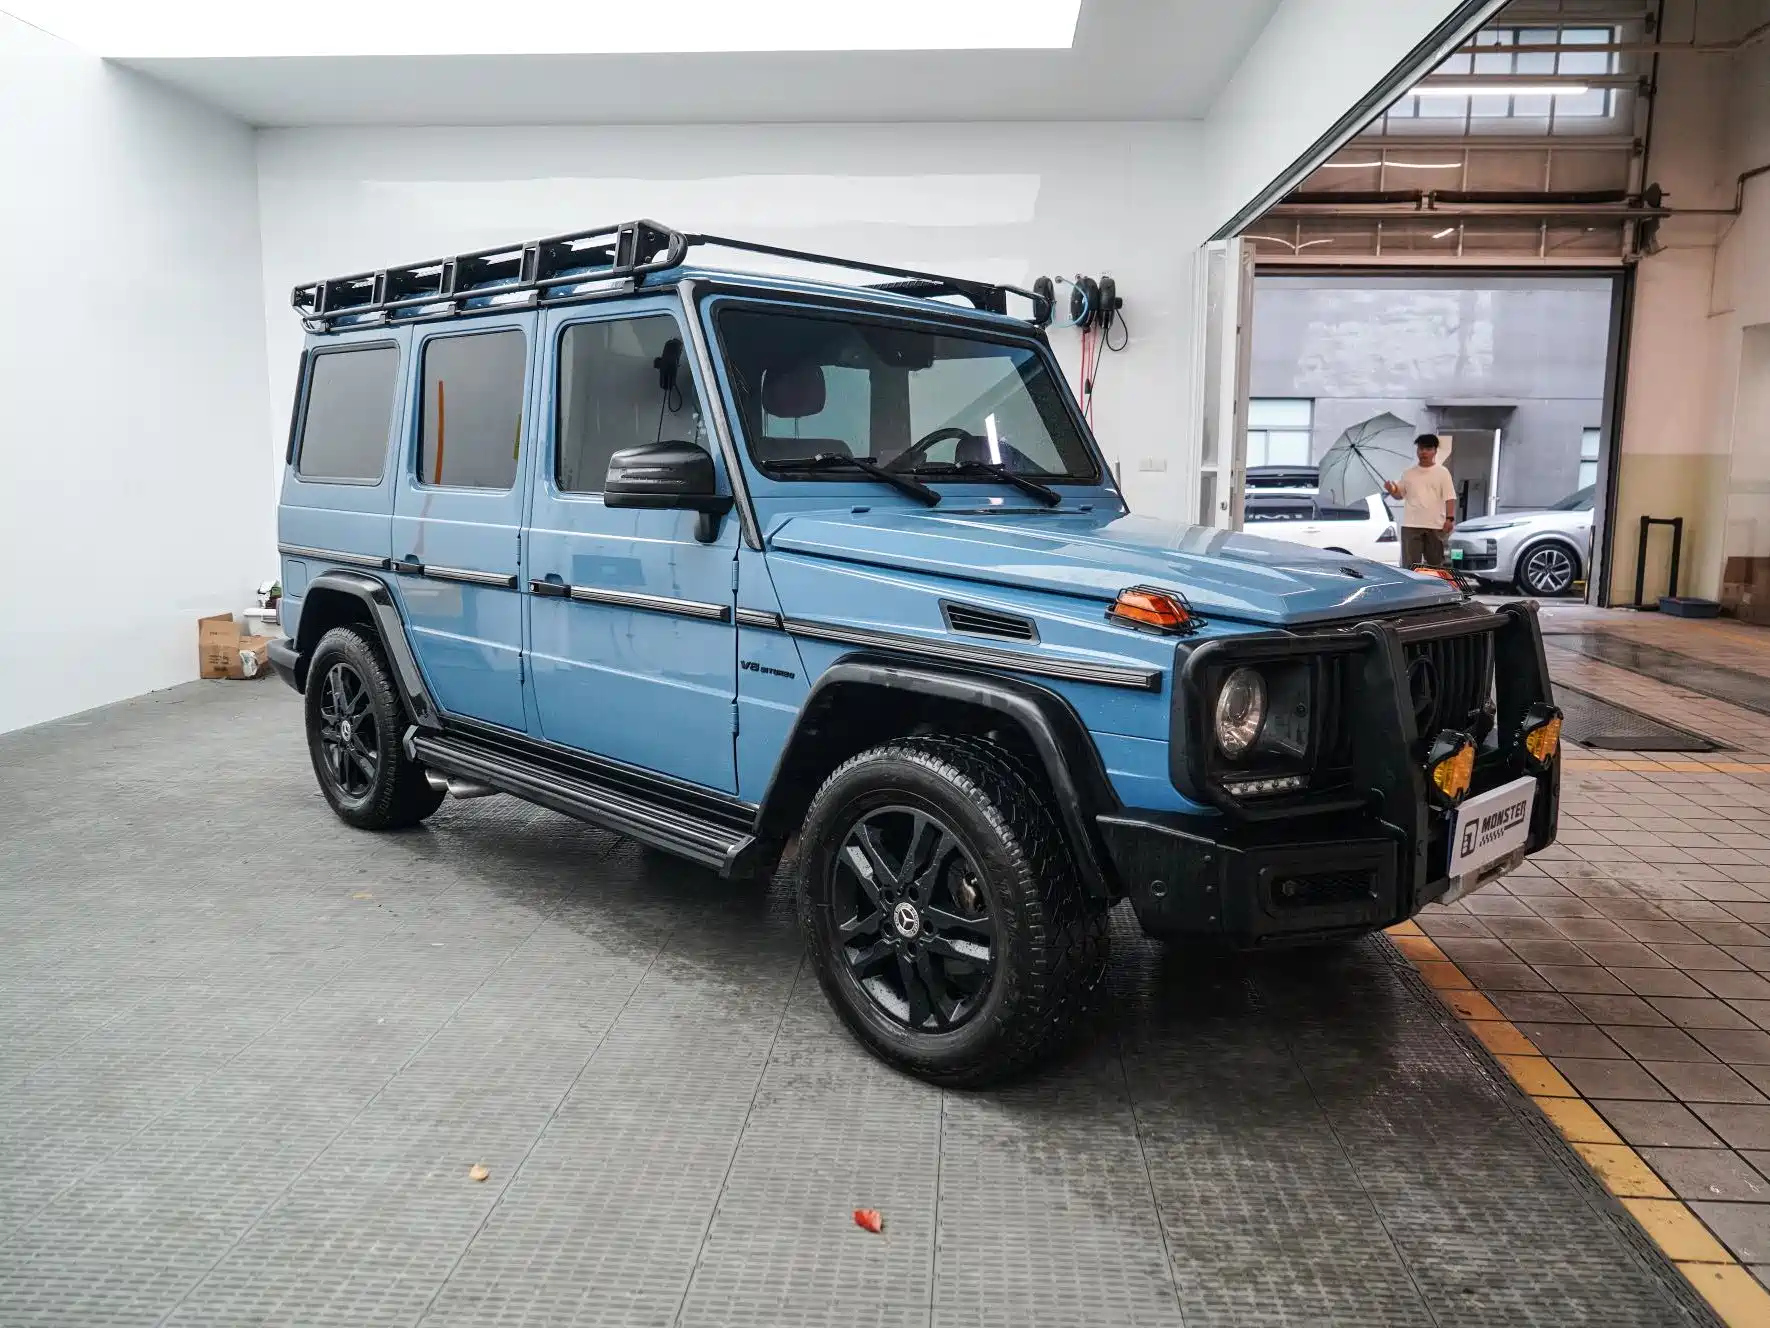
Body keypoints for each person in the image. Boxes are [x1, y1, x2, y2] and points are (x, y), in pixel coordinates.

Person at [1384, 434, 1458, 568]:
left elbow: (1450, 497)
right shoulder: (1408, 473)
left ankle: (1436, 588)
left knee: (1436, 565)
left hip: (1435, 525)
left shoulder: (1442, 472)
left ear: (1435, 451)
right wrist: (1391, 490)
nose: (1423, 452)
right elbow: (1399, 495)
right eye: (1421, 449)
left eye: (1428, 449)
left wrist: (1450, 519)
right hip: (1411, 525)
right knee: (1411, 566)